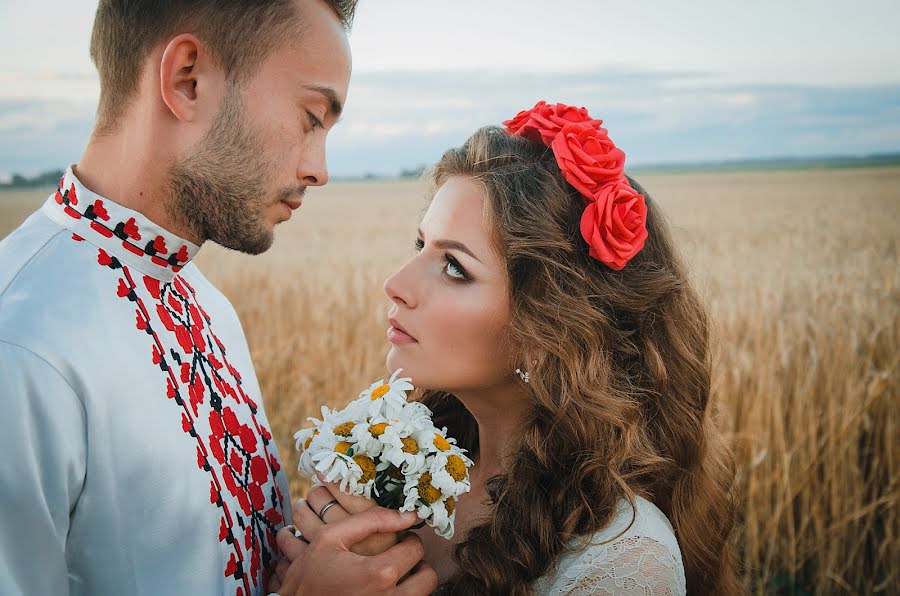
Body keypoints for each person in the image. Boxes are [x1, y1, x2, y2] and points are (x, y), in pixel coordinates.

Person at [0, 1, 436, 594]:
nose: (320, 169)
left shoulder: (208, 306)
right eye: (312, 117)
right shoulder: (21, 346)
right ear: (188, 80)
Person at [274, 102, 742, 594]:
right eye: (420, 247)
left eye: (455, 267)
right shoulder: (403, 460)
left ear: (550, 330)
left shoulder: (622, 556)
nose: (396, 284)